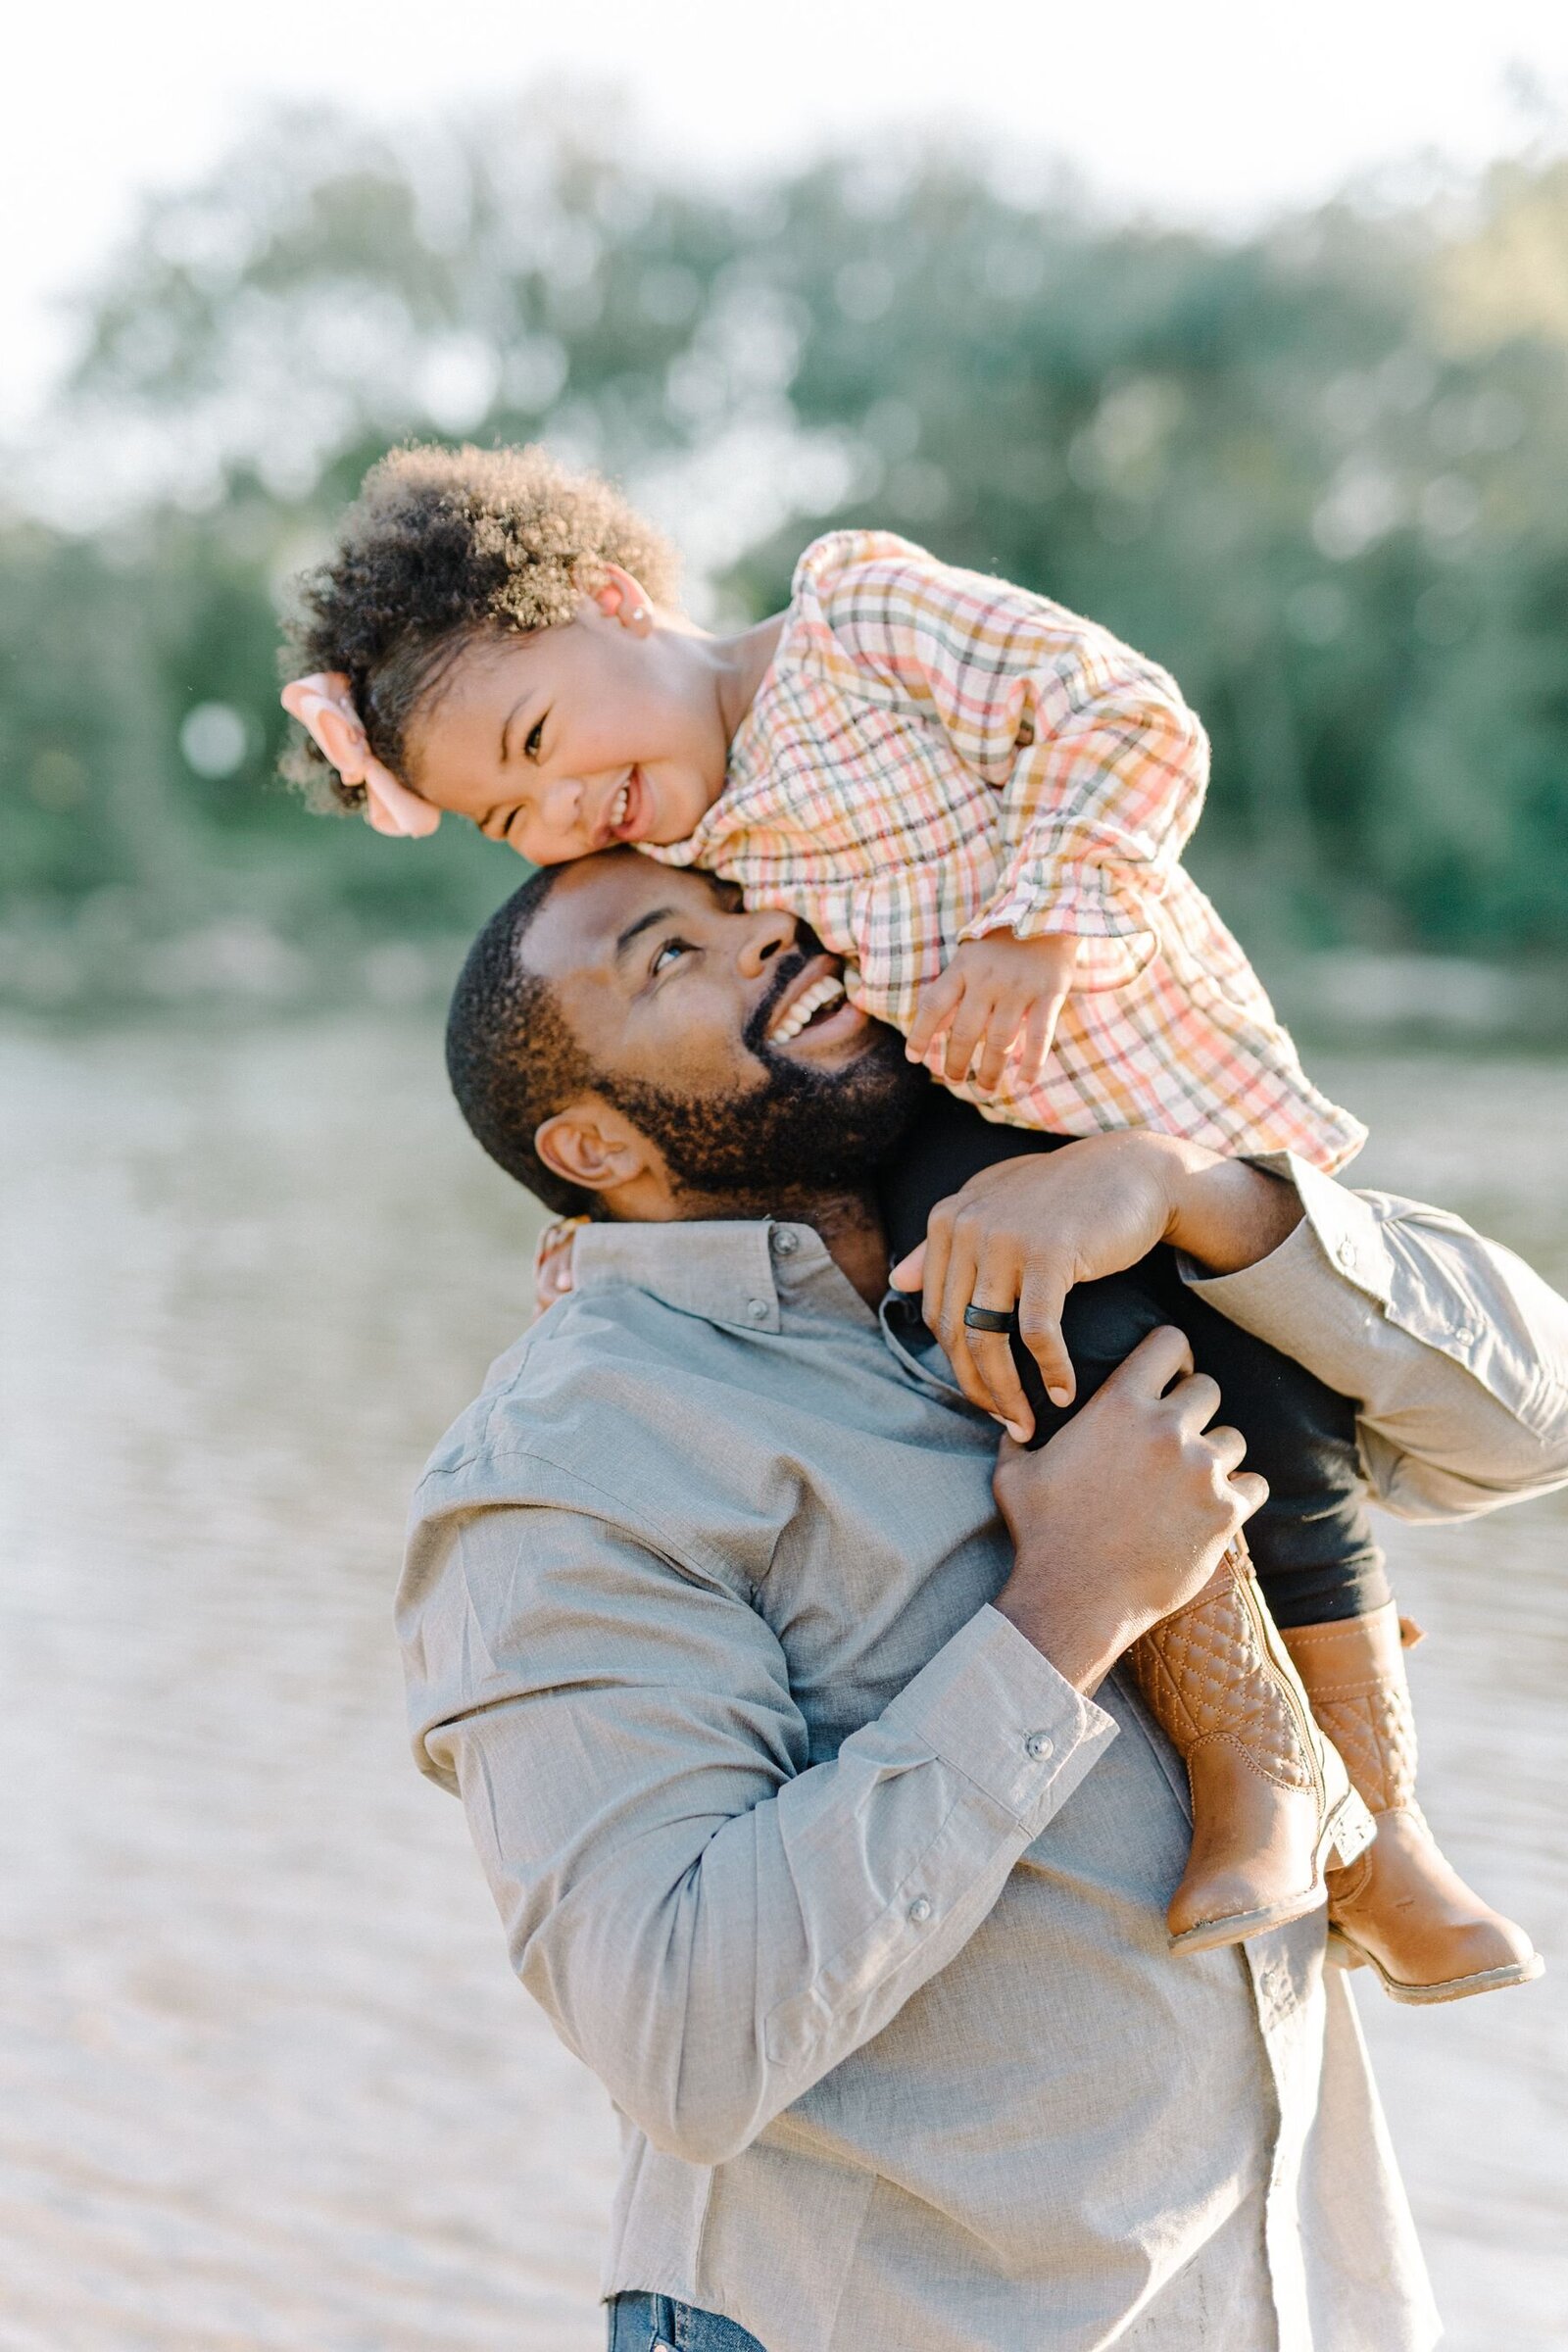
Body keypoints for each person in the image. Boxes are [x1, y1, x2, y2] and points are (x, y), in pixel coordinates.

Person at [284, 447, 1539, 1993]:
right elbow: (634, 1107)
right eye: (505, 816)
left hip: (1135, 1076)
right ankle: (1266, 1783)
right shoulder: (683, 836)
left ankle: (1390, 1829)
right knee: (1061, 1354)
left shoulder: (856, 614)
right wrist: (589, 1246)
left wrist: (1039, 933)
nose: (561, 809)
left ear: (618, 602)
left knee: (1269, 1410)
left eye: (540, 739)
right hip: (963, 1132)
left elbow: (1127, 717)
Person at [399, 848, 1568, 2352]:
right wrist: (1068, 1610)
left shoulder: (1077, 1209)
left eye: (744, 901)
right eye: (666, 955)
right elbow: (682, 2037)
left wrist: (1190, 1191)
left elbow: (1530, 1428)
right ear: (592, 1141)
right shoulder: (568, 1470)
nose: (769, 935)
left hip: (1279, 2301)